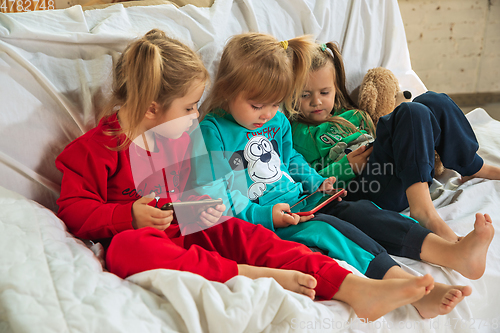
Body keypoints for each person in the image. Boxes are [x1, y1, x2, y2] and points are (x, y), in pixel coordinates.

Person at [55, 29, 436, 322]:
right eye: (188, 108)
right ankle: (250, 274)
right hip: (144, 239)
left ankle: (353, 287)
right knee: (127, 249)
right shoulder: (93, 151)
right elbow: (73, 208)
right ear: (152, 108)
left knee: (258, 236)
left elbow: (199, 191)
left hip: (191, 226)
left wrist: (200, 205)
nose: (194, 117)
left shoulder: (179, 137)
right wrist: (128, 216)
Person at [192, 32, 471, 319]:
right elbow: (220, 195)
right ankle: (404, 284)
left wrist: (316, 183)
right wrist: (267, 216)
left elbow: (291, 160)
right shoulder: (214, 131)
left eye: (275, 104)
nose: (267, 114)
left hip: (306, 201)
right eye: (256, 105)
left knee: (362, 212)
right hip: (269, 221)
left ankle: (446, 251)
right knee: (329, 232)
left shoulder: (276, 120)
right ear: (227, 90)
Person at [291, 41, 499, 244]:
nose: (316, 101)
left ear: (335, 88)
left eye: (324, 92)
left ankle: (471, 166)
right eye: (305, 95)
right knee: (410, 111)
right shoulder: (297, 133)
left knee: (433, 100)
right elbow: (304, 185)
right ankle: (424, 211)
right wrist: (346, 167)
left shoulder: (353, 115)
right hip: (363, 190)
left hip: (399, 175)